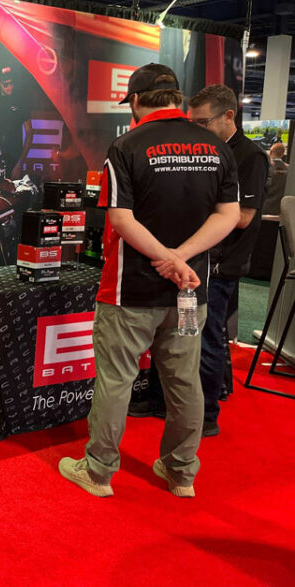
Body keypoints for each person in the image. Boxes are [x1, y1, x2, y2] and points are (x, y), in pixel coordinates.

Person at [58, 64, 239, 498]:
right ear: (178, 97)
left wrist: (167, 258)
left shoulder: (126, 145)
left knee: (116, 380)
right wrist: (181, 259)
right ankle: (182, 474)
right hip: (189, 288)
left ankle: (99, 472)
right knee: (184, 381)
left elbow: (121, 219)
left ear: (136, 101)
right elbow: (229, 215)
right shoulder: (217, 147)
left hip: (130, 289)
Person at [130, 85, 268, 436]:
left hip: (218, 266)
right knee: (172, 336)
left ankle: (205, 413)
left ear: (228, 116)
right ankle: (160, 400)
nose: (196, 129)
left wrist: (193, 213)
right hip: (187, 259)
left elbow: (241, 217)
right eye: (192, 122)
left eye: (203, 122)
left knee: (204, 337)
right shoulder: (203, 149)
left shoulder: (249, 156)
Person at [263, 143, 288, 216]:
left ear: (270, 152)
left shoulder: (264, 167)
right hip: (281, 211)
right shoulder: (290, 169)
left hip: (264, 210)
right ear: (282, 154)